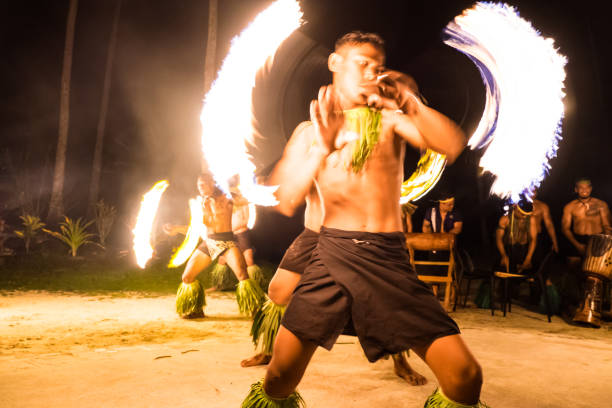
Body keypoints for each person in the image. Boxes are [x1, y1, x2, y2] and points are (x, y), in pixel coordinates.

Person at [242, 31, 485, 408]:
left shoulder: (390, 120)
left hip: (387, 259)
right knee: (279, 374)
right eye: (362, 63)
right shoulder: (310, 130)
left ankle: (400, 360)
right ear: (335, 63)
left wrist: (412, 102)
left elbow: (451, 144)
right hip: (330, 253)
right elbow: (286, 197)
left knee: (466, 376)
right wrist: (321, 149)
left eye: (378, 66)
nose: (372, 72)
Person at [241, 179, 427, 385]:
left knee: (386, 301)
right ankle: (268, 350)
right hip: (313, 234)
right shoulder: (314, 150)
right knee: (278, 292)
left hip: (350, 237)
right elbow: (291, 186)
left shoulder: (360, 154)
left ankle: (400, 361)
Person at [174, 172, 264, 319]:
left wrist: (259, 190)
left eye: (203, 184)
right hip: (209, 242)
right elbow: (195, 228)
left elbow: (247, 200)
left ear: (212, 183)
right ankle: (195, 310)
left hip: (227, 242)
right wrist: (176, 229)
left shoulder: (227, 198)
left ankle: (256, 307)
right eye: (198, 185)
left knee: (242, 275)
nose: (200, 188)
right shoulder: (201, 203)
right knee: (187, 277)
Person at [561, 178, 611, 261]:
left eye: (587, 187)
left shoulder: (601, 204)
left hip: (597, 239)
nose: (584, 190)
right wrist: (577, 245)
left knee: (595, 267)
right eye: (581, 187)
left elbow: (607, 226)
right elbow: (565, 228)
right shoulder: (569, 206)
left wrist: (605, 244)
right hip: (577, 239)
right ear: (576, 189)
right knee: (573, 263)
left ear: (591, 189)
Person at [495, 200, 537, 274]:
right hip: (508, 249)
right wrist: (504, 255)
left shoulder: (531, 219)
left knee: (530, 271)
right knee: (504, 272)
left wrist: (528, 258)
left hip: (523, 250)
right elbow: (498, 239)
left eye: (526, 215)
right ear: (515, 208)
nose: (524, 217)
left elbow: (533, 240)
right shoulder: (504, 219)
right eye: (522, 214)